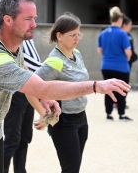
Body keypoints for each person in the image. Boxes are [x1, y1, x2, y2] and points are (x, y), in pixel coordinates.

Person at [0, 0, 130, 173]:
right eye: (28, 19)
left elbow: (24, 73)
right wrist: (96, 86)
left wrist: (42, 100)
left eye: (35, 17)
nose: (34, 24)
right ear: (8, 20)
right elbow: (43, 86)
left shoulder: (12, 40)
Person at [0, 0, 42, 173]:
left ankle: (20, 170)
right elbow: (20, 58)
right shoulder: (2, 24)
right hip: (15, 87)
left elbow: (30, 54)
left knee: (24, 137)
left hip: (28, 84)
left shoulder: (23, 23)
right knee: (12, 137)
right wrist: (41, 77)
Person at [32, 12, 89, 173]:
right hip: (64, 122)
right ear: (59, 35)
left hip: (81, 118)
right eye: (72, 35)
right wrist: (44, 114)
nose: (77, 38)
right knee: (70, 168)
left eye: (79, 34)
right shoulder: (55, 60)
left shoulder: (76, 54)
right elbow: (31, 86)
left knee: (74, 167)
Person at [97, 6, 133, 122]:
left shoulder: (103, 33)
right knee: (121, 90)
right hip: (121, 66)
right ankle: (121, 115)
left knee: (108, 90)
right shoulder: (123, 34)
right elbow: (128, 52)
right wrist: (127, 58)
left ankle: (108, 115)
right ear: (120, 20)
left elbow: (100, 51)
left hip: (106, 66)